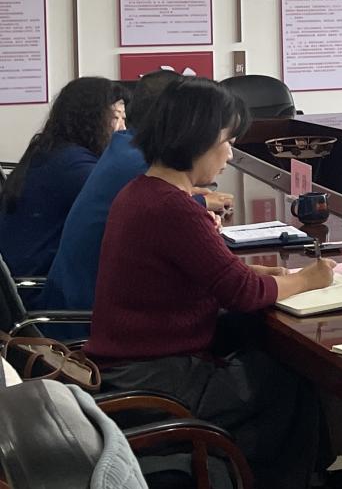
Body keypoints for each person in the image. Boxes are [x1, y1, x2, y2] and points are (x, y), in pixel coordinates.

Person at [85, 77, 342, 489]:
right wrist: (311, 278)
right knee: (288, 372)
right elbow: (243, 292)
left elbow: (210, 272)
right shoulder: (172, 207)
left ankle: (305, 477)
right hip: (154, 378)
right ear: (196, 141)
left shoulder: (143, 191)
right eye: (226, 142)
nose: (230, 154)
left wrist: (263, 273)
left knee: (261, 340)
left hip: (129, 363)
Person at [42, 70, 235, 317]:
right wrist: (199, 203)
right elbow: (171, 212)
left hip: (74, 297)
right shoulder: (139, 162)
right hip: (86, 315)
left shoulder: (124, 145)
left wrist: (194, 197)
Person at [0, 76, 122, 276]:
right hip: (40, 283)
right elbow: (123, 204)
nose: (123, 129)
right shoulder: (74, 166)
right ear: (93, 119)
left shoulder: (50, 150)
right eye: (116, 118)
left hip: (26, 275)